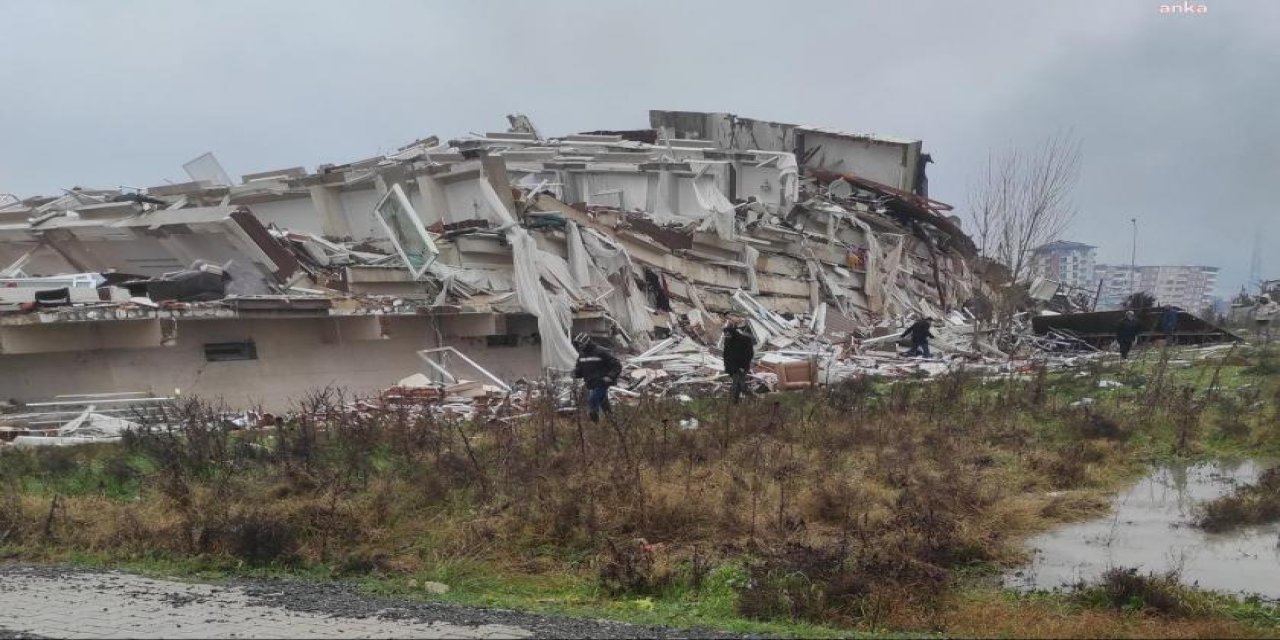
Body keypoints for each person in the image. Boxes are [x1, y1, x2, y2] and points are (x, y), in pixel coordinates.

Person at [572, 333, 622, 422]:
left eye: (581, 344)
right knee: (604, 406)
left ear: (587, 343)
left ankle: (595, 424)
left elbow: (617, 365)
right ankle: (613, 425)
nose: (579, 346)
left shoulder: (601, 351)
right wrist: (575, 373)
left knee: (593, 401)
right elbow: (580, 369)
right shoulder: (582, 355)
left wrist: (610, 376)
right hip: (591, 383)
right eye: (578, 344)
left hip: (602, 383)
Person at [722, 317, 756, 404]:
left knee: (737, 384)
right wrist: (727, 366)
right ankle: (750, 399)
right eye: (726, 335)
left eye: (728, 334)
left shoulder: (744, 340)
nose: (727, 336)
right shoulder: (728, 341)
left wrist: (743, 366)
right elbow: (726, 355)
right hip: (732, 367)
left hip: (741, 367)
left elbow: (749, 354)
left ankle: (733, 402)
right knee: (739, 384)